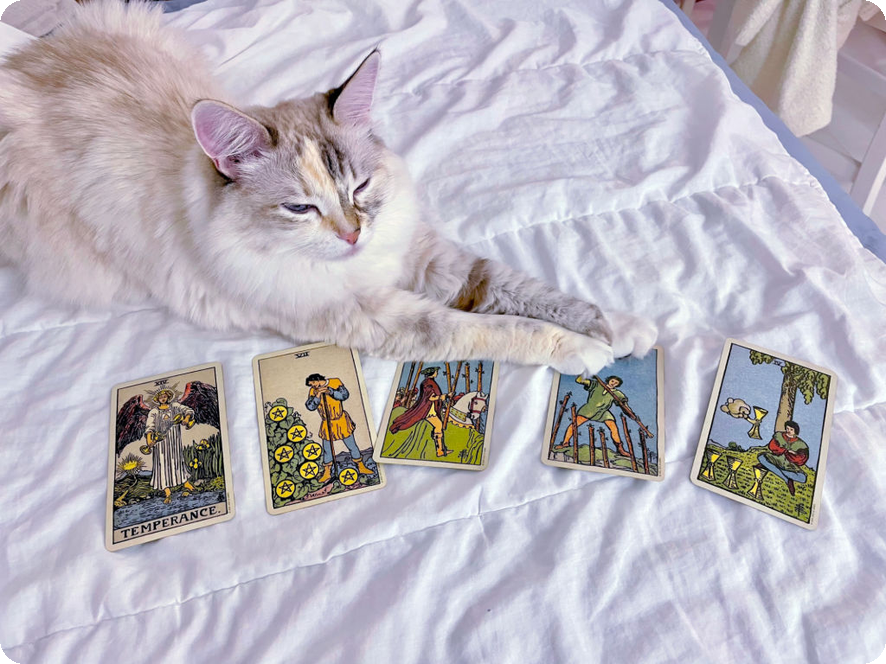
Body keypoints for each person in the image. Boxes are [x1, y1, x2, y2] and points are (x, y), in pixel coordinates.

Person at [305, 373, 374, 483]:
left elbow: (344, 395)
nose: (313, 386)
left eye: (313, 383)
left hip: (341, 420)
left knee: (352, 445)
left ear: (318, 379)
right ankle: (327, 472)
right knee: (327, 449)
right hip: (327, 423)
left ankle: (361, 466)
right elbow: (310, 406)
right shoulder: (313, 391)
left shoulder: (335, 382)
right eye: (311, 385)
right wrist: (317, 396)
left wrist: (330, 391)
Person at [554, 376, 631, 457]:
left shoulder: (617, 393)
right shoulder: (596, 384)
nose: (613, 383)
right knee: (574, 424)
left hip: (603, 412)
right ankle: (565, 443)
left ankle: (620, 449)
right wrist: (587, 374)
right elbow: (579, 380)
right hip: (589, 409)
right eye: (612, 381)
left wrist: (630, 412)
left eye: (616, 383)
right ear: (609, 380)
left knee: (613, 427)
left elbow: (624, 405)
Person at [144, 387, 197, 504]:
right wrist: (149, 441)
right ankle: (167, 492)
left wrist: (186, 418)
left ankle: (186, 483)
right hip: (160, 443)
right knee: (162, 464)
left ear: (168, 397)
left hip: (174, 440)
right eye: (160, 397)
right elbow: (150, 427)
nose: (163, 398)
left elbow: (187, 410)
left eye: (164, 396)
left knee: (177, 460)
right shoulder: (154, 412)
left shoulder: (174, 406)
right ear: (157, 399)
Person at [389, 366, 450, 456]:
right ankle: (439, 451)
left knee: (439, 425)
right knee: (438, 425)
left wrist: (446, 396)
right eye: (436, 371)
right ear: (432, 373)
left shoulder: (429, 382)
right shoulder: (428, 383)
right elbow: (430, 398)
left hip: (431, 408)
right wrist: (442, 397)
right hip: (427, 410)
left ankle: (441, 449)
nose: (437, 373)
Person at [755, 420, 809, 496]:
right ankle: (786, 480)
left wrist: (793, 454)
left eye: (791, 429)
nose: (788, 431)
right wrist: (785, 451)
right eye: (787, 428)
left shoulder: (801, 444)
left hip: (789, 465)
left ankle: (770, 467)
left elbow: (802, 459)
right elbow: (772, 446)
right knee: (761, 457)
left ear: (795, 431)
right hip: (776, 459)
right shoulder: (779, 435)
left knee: (803, 478)